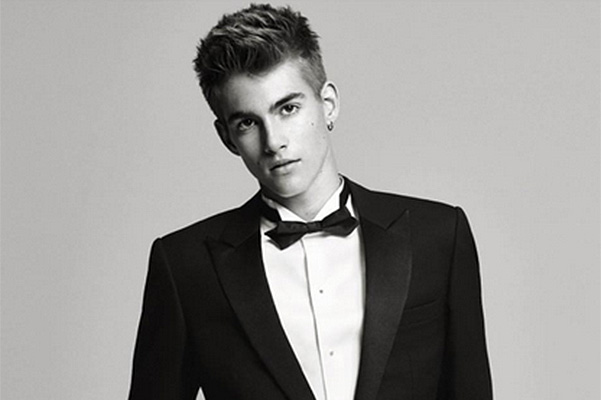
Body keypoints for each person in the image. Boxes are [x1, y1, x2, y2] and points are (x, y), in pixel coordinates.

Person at [128, 4, 493, 400]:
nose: (274, 142)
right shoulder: (185, 267)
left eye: (288, 108)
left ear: (328, 103)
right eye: (247, 122)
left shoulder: (437, 236)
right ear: (226, 137)